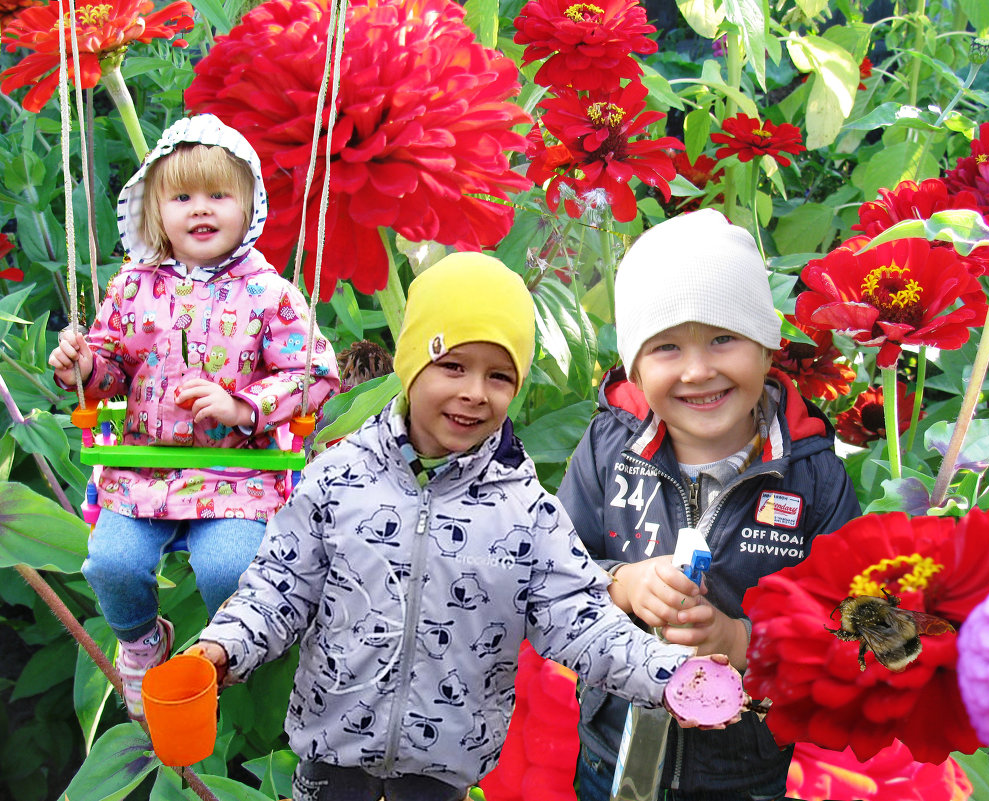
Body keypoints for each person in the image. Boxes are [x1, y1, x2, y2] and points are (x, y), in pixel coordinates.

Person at [188, 252, 740, 801]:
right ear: (411, 365)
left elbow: (584, 620)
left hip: (442, 776)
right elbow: (278, 590)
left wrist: (668, 674)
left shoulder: (526, 511)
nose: (476, 392)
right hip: (332, 761)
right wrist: (221, 647)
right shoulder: (336, 478)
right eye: (453, 365)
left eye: (499, 376)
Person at [557, 209, 862, 801]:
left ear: (767, 349)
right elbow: (550, 577)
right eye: (667, 347)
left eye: (724, 337)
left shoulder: (812, 477)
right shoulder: (607, 448)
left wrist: (745, 642)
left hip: (744, 771)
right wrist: (620, 584)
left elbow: (853, 632)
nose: (699, 370)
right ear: (635, 367)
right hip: (610, 755)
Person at [47, 114, 340, 721]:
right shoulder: (133, 288)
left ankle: (230, 654)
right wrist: (80, 367)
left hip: (236, 472)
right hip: (144, 469)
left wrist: (243, 406)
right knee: (110, 562)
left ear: (250, 207)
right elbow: (112, 372)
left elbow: (315, 375)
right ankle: (140, 642)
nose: (200, 210)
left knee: (229, 568)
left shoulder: (270, 293)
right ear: (156, 211)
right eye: (182, 197)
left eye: (218, 195)